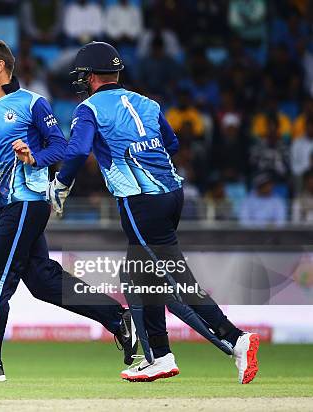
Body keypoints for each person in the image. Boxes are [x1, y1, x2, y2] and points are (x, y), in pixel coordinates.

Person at [50, 41, 260, 384]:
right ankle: (159, 357)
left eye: (82, 75)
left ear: (90, 76)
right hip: (172, 194)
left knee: (178, 278)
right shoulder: (147, 102)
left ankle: (236, 338)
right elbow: (172, 143)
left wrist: (60, 185)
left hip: (140, 200)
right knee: (136, 277)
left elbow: (76, 152)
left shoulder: (88, 109)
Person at [0, 39, 135, 382]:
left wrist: (34, 158)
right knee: (42, 281)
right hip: (9, 205)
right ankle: (117, 318)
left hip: (29, 201)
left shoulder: (33, 104)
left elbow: (62, 147)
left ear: (0, 67)